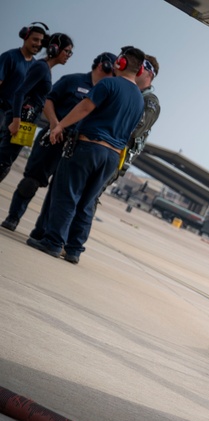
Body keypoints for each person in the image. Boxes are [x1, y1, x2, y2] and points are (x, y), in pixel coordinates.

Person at [25, 46, 145, 264]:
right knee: (87, 202)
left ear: (121, 63)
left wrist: (59, 126)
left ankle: (53, 242)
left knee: (67, 194)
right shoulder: (139, 98)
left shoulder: (108, 83)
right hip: (112, 157)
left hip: (89, 147)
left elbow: (84, 108)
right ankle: (74, 250)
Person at [2, 52, 115, 232]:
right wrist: (55, 123)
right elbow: (48, 100)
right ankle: (13, 217)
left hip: (78, 146)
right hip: (53, 138)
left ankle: (42, 232)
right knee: (30, 182)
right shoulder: (72, 81)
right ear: (103, 66)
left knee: (61, 194)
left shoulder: (108, 93)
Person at [0, 32, 73, 182]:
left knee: (7, 161)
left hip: (28, 121)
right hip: (21, 120)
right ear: (54, 49)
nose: (69, 55)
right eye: (67, 51)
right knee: (3, 161)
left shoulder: (45, 69)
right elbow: (20, 92)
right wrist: (16, 120)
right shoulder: (41, 67)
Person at [102, 54, 159, 193]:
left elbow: (136, 130)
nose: (135, 70)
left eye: (140, 67)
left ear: (149, 74)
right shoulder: (124, 91)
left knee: (87, 201)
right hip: (99, 149)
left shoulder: (150, 102)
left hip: (114, 157)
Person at [0, 22, 48, 143]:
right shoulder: (9, 57)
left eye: (41, 41)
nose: (38, 44)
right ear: (25, 37)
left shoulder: (38, 66)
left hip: (18, 117)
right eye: (35, 39)